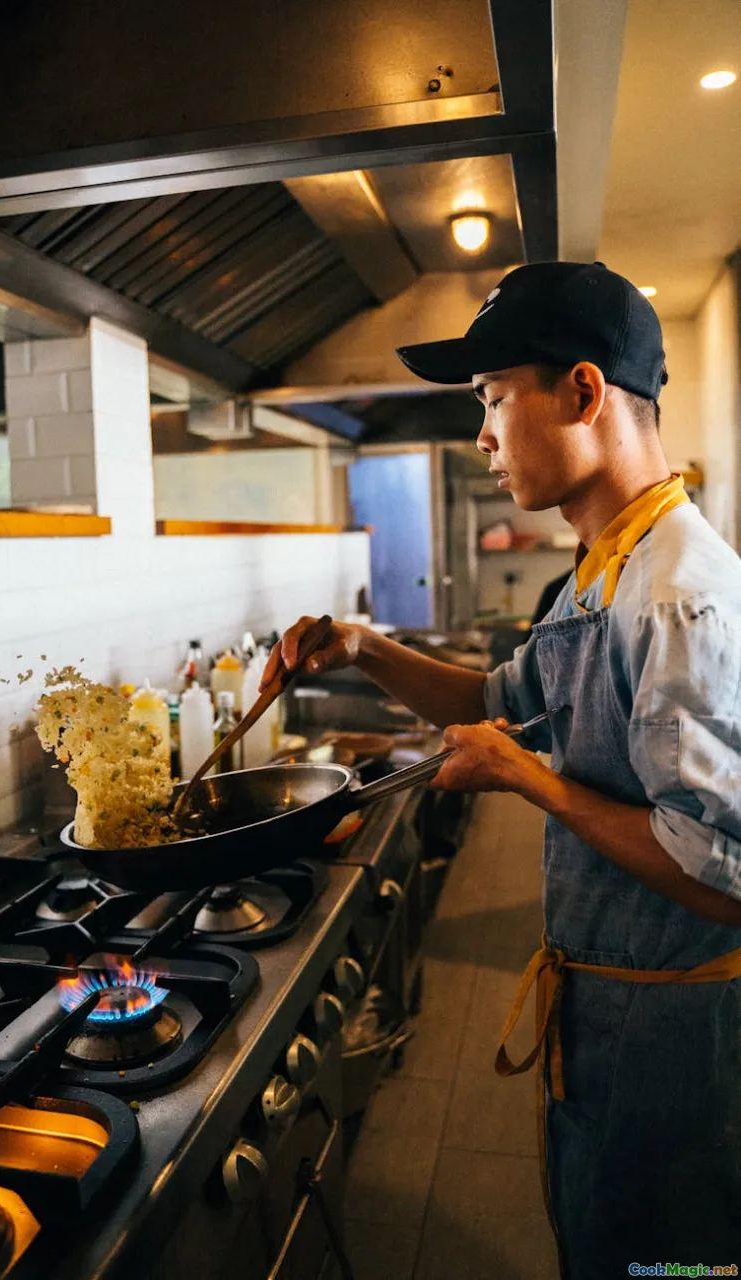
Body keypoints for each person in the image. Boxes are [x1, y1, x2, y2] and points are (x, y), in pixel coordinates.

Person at [261, 262, 741, 1278]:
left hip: (679, 1039)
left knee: (673, 1266)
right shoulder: (601, 568)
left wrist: (527, 777)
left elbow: (718, 875)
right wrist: (365, 647)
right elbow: (495, 702)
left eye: (489, 398)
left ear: (580, 391)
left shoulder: (674, 596)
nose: (480, 434)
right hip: (602, 1010)